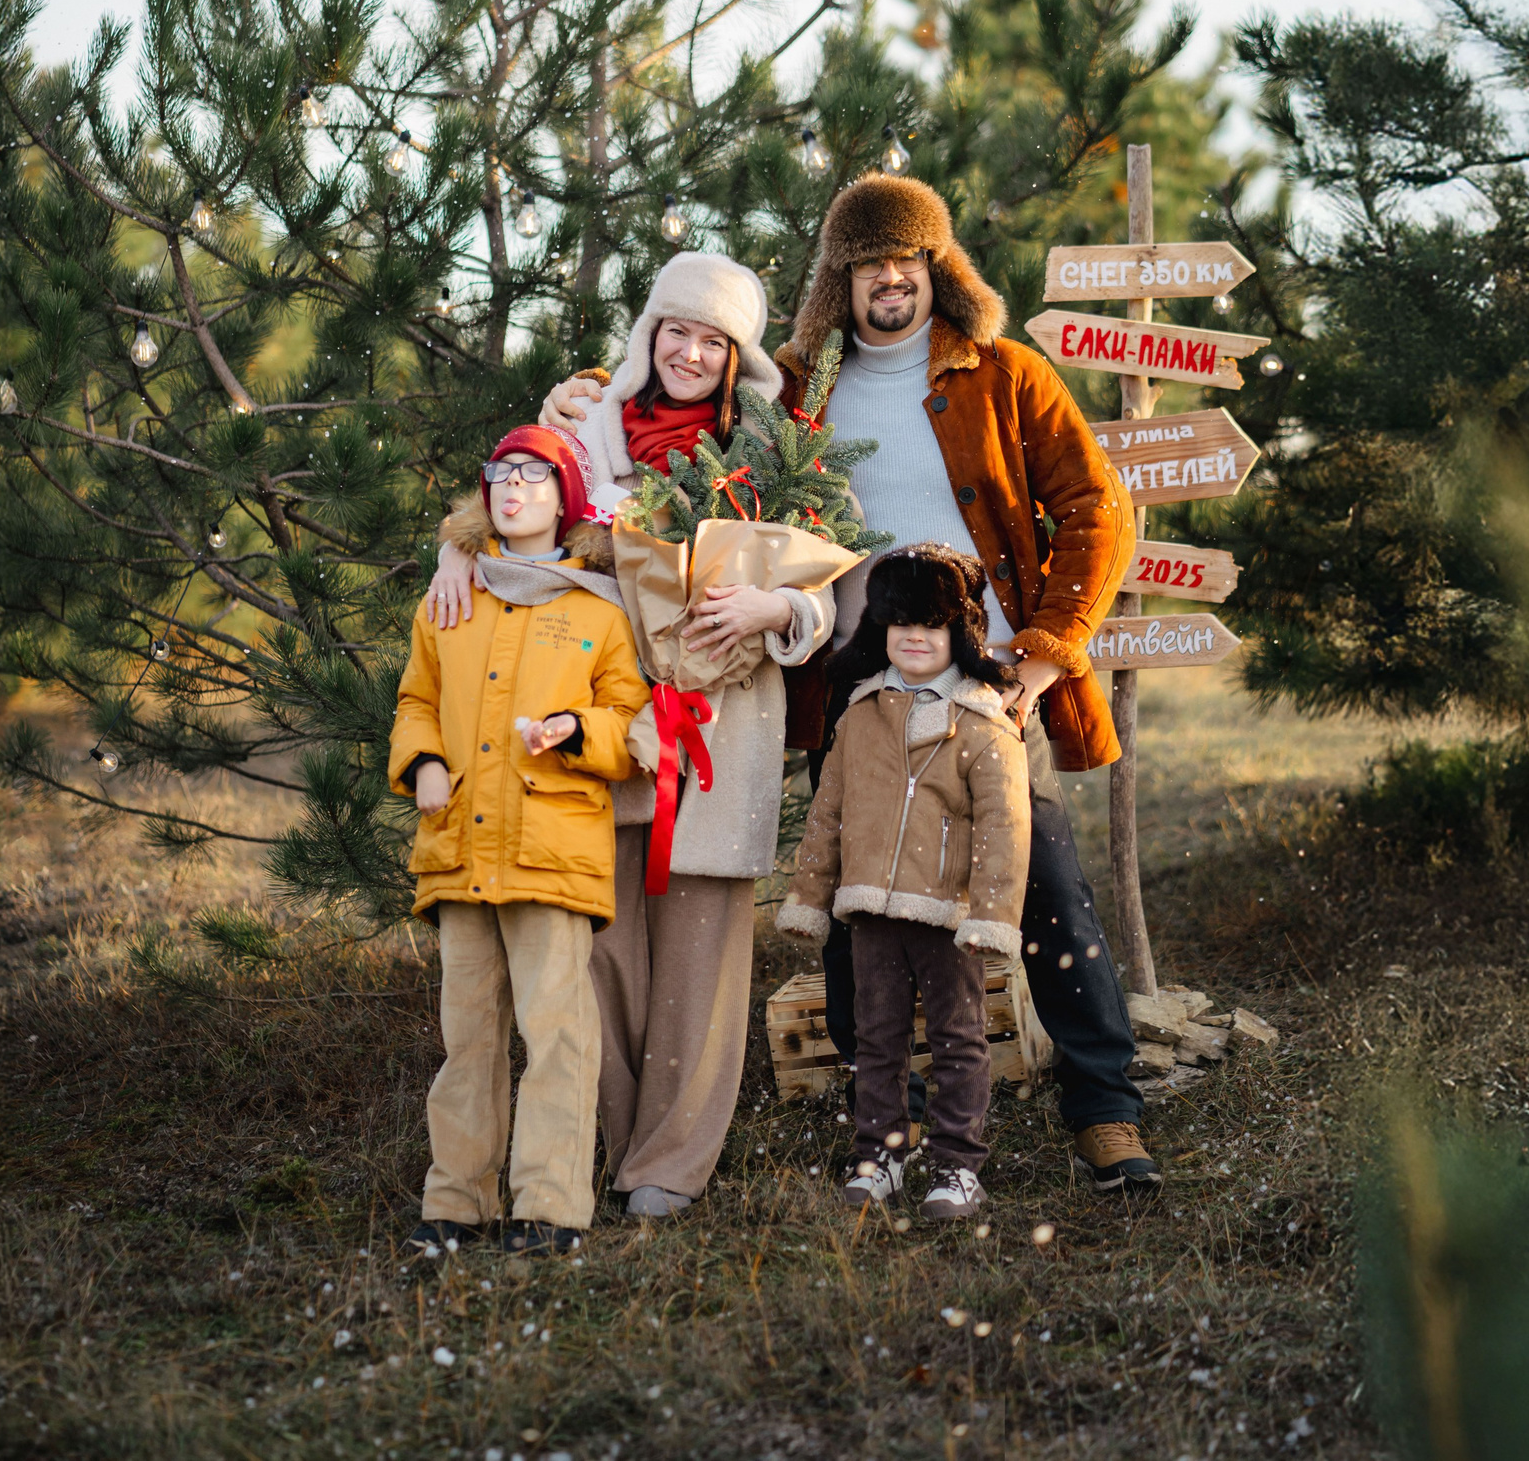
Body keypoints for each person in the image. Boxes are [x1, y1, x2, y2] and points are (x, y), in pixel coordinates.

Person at [543, 176, 1161, 1192]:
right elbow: (675, 386)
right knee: (849, 903)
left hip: (987, 681)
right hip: (850, 682)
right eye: (868, 264)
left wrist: (1046, 653)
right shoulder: (798, 388)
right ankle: (891, 1124)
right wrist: (578, 392)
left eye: (906, 260)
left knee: (1041, 880)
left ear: (936, 268)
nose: (889, 280)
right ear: (842, 278)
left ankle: (1105, 1110)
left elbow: (1098, 506)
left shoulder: (1004, 374)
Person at [424, 252, 834, 1219]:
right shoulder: (587, 424)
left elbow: (830, 581)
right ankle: (608, 1139)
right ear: (649, 333)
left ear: (738, 357)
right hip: (590, 723)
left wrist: (776, 605)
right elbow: (513, 499)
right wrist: (455, 548)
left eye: (713, 340)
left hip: (717, 726)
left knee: (700, 953)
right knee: (597, 948)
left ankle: (669, 1163)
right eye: (675, 330)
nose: (690, 353)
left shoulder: (776, 448)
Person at [389, 425, 649, 1257]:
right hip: (460, 845)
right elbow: (416, 699)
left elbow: (631, 720)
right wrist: (424, 761)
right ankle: (456, 1202)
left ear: (565, 498)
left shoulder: (598, 610)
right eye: (502, 473)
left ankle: (549, 1206)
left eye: (536, 476)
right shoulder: (451, 599)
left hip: (552, 850)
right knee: (466, 1038)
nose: (514, 487)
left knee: (558, 1033)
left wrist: (578, 728)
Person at [776, 545, 1031, 1223]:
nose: (915, 636)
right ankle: (881, 1153)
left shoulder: (982, 723)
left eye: (932, 624)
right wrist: (809, 896)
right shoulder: (860, 714)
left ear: (961, 632)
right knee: (876, 1034)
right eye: (900, 622)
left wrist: (992, 912)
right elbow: (828, 812)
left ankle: (957, 1164)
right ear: (879, 627)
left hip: (947, 914)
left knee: (956, 1036)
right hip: (871, 910)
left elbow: (1005, 827)